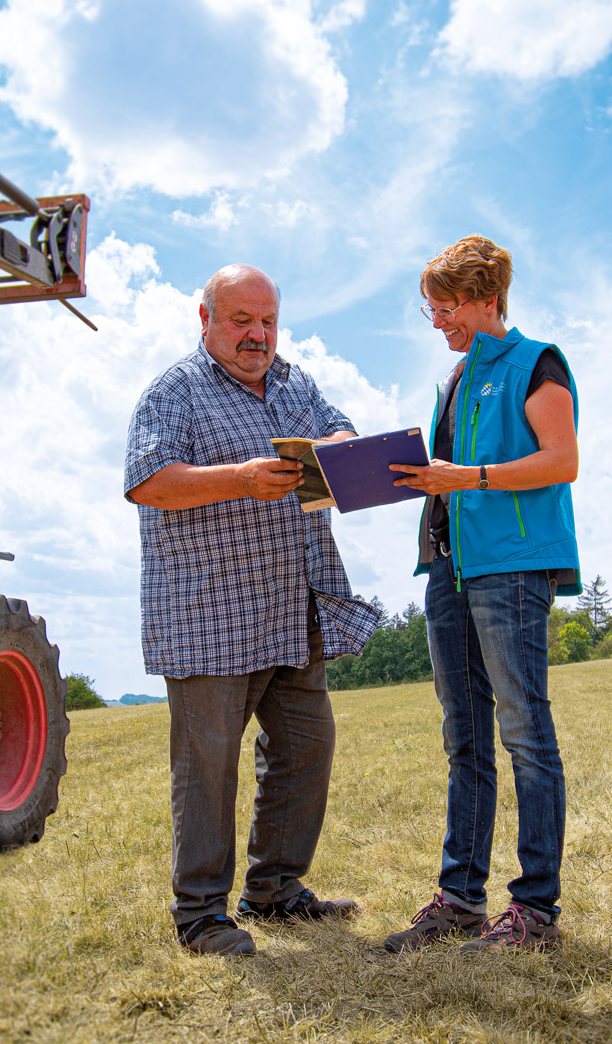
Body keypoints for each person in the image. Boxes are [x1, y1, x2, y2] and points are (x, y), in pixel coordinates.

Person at [124, 263, 379, 956]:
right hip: (211, 615)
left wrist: (340, 453)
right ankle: (200, 916)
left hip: (294, 606)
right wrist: (239, 479)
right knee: (207, 768)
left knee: (307, 748)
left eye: (267, 321)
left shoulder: (297, 383)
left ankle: (274, 890)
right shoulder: (173, 392)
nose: (257, 334)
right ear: (204, 318)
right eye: (241, 320)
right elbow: (149, 482)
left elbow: (343, 435)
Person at [386, 235, 580, 954]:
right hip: (448, 568)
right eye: (431, 310)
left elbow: (563, 460)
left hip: (513, 569)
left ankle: (535, 913)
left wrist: (467, 478)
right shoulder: (454, 381)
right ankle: (461, 899)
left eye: (445, 307)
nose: (437, 321)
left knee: (525, 733)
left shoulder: (538, 363)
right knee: (464, 738)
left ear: (484, 299)